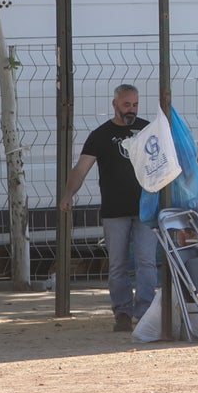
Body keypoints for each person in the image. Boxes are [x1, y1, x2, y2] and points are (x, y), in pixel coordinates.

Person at [60, 84, 157, 332]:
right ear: (114, 104)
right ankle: (122, 313)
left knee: (146, 262)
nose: (131, 110)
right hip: (115, 210)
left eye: (135, 104)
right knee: (118, 264)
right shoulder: (100, 135)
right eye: (126, 105)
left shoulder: (147, 129)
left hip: (145, 208)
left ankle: (145, 312)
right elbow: (81, 168)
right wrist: (68, 194)